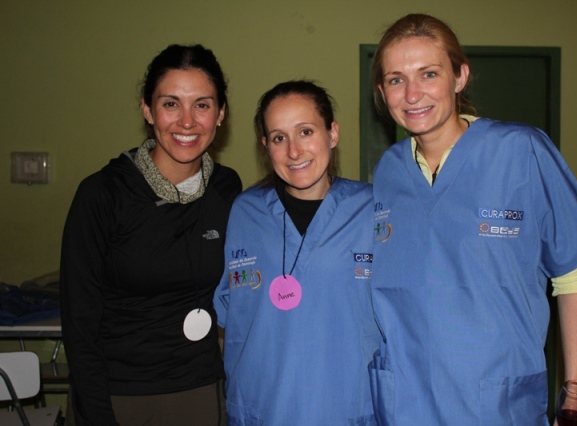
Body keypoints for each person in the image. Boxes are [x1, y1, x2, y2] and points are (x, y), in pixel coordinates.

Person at [368, 13, 577, 426]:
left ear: (460, 77)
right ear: (381, 91)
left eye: (429, 74)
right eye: (395, 79)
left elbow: (570, 278)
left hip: (497, 402)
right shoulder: (388, 171)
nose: (412, 94)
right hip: (406, 401)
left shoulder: (521, 151)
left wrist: (573, 398)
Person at [60, 44, 241, 426]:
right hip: (116, 394)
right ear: (147, 109)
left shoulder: (227, 189)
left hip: (201, 391)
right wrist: (97, 415)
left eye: (202, 105)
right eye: (171, 104)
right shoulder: (103, 195)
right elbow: (79, 325)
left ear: (221, 113)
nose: (187, 121)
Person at [214, 80, 378, 425]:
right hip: (264, 407)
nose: (293, 151)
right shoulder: (245, 213)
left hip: (347, 407)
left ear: (332, 133)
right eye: (279, 138)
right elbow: (232, 316)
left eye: (305, 132)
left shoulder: (372, 210)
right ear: (266, 146)